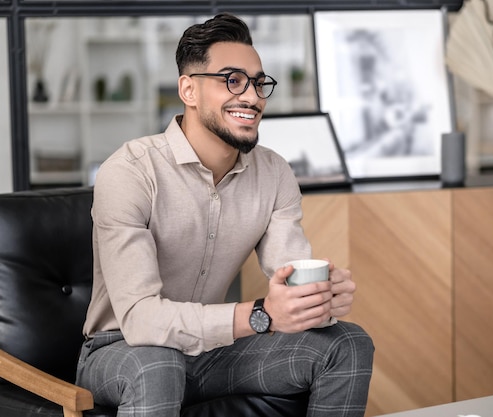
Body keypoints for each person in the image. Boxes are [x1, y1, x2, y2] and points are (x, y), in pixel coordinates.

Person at [75, 12, 374, 417]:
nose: (252, 97)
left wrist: (315, 300)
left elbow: (288, 274)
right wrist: (262, 315)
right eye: (232, 80)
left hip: (213, 354)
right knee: (158, 364)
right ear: (188, 90)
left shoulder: (274, 173)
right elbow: (141, 319)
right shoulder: (130, 171)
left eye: (258, 82)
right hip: (121, 351)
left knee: (346, 342)